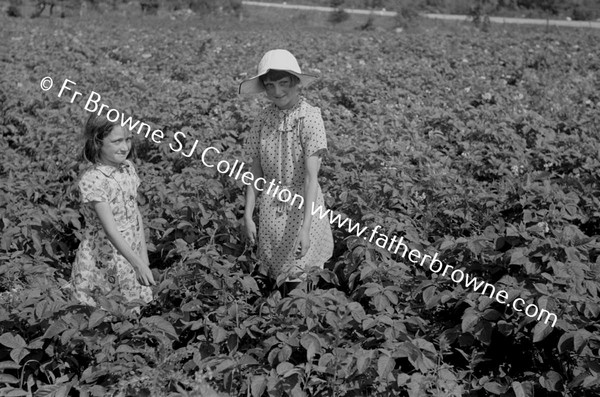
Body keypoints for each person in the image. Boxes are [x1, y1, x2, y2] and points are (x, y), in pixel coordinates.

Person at [239, 49, 334, 286]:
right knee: (274, 279)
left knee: (299, 283)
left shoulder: (309, 117)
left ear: (295, 82)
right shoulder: (262, 119)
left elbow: (311, 180)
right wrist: (248, 215)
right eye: (270, 85)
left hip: (304, 209)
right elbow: (255, 174)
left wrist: (306, 228)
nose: (277, 92)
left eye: (283, 83)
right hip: (271, 210)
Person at [71, 113, 155, 307]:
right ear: (97, 142)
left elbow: (136, 215)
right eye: (117, 141)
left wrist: (143, 257)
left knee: (131, 308)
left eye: (128, 140)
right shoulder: (94, 180)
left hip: (130, 251)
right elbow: (110, 230)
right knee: (105, 307)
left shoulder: (127, 168)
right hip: (105, 254)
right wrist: (138, 265)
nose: (125, 147)